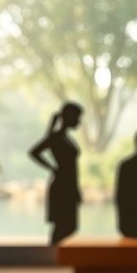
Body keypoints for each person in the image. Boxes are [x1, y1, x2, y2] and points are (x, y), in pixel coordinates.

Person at [29, 102, 83, 245]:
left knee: (69, 225)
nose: (79, 121)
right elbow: (34, 152)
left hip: (68, 185)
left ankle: (55, 253)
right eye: (77, 117)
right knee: (63, 224)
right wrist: (52, 167)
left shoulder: (63, 137)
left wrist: (76, 188)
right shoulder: (57, 137)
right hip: (62, 186)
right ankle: (54, 254)